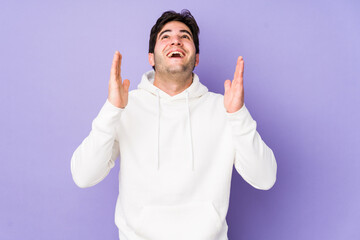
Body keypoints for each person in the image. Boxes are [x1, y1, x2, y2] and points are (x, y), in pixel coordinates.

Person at [71, 9, 277, 240]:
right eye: (165, 36)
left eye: (185, 36)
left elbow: (265, 178)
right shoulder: (126, 106)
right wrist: (112, 109)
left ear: (196, 58)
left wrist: (238, 114)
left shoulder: (224, 109)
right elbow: (83, 175)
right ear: (151, 57)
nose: (176, 40)